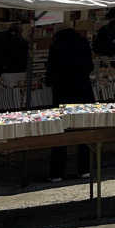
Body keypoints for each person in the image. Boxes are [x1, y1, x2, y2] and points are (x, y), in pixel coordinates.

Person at [45, 26, 95, 182]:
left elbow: (51, 71)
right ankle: (85, 169)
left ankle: (57, 173)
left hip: (62, 94)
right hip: (83, 93)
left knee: (61, 133)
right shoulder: (83, 44)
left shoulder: (56, 47)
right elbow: (90, 67)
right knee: (84, 132)